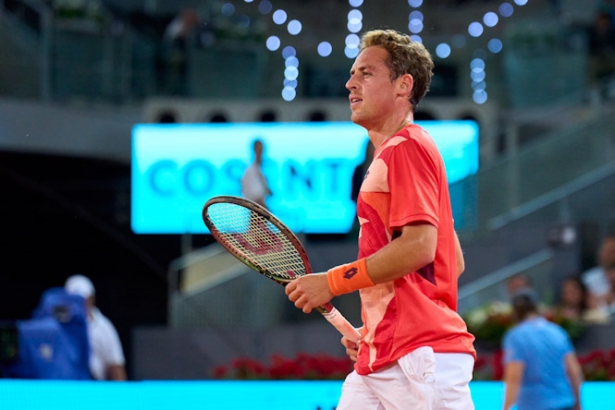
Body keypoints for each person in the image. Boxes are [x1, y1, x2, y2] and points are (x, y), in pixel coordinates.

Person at [285, 29, 475, 409]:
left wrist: (332, 282)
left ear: (404, 85)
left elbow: (420, 248)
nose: (350, 83)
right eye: (353, 73)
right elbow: (451, 262)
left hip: (419, 360)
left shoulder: (407, 148)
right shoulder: (399, 152)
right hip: (386, 357)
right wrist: (378, 330)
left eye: (366, 73)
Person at [502, 289, 584, 410]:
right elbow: (574, 371)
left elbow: (514, 377)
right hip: (564, 403)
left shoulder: (516, 336)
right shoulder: (557, 331)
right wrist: (578, 403)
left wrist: (506, 407)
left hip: (534, 405)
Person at [64, 275, 127, 381]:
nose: (79, 305)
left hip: (94, 388)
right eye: (75, 300)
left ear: (92, 299)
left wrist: (122, 396)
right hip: (64, 386)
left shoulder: (104, 327)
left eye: (83, 300)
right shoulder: (56, 327)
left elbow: (116, 367)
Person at [241, 139, 272, 208]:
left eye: (261, 149)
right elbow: (253, 196)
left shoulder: (266, 168)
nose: (260, 152)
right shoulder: (249, 170)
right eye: (258, 149)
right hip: (256, 210)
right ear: (254, 150)